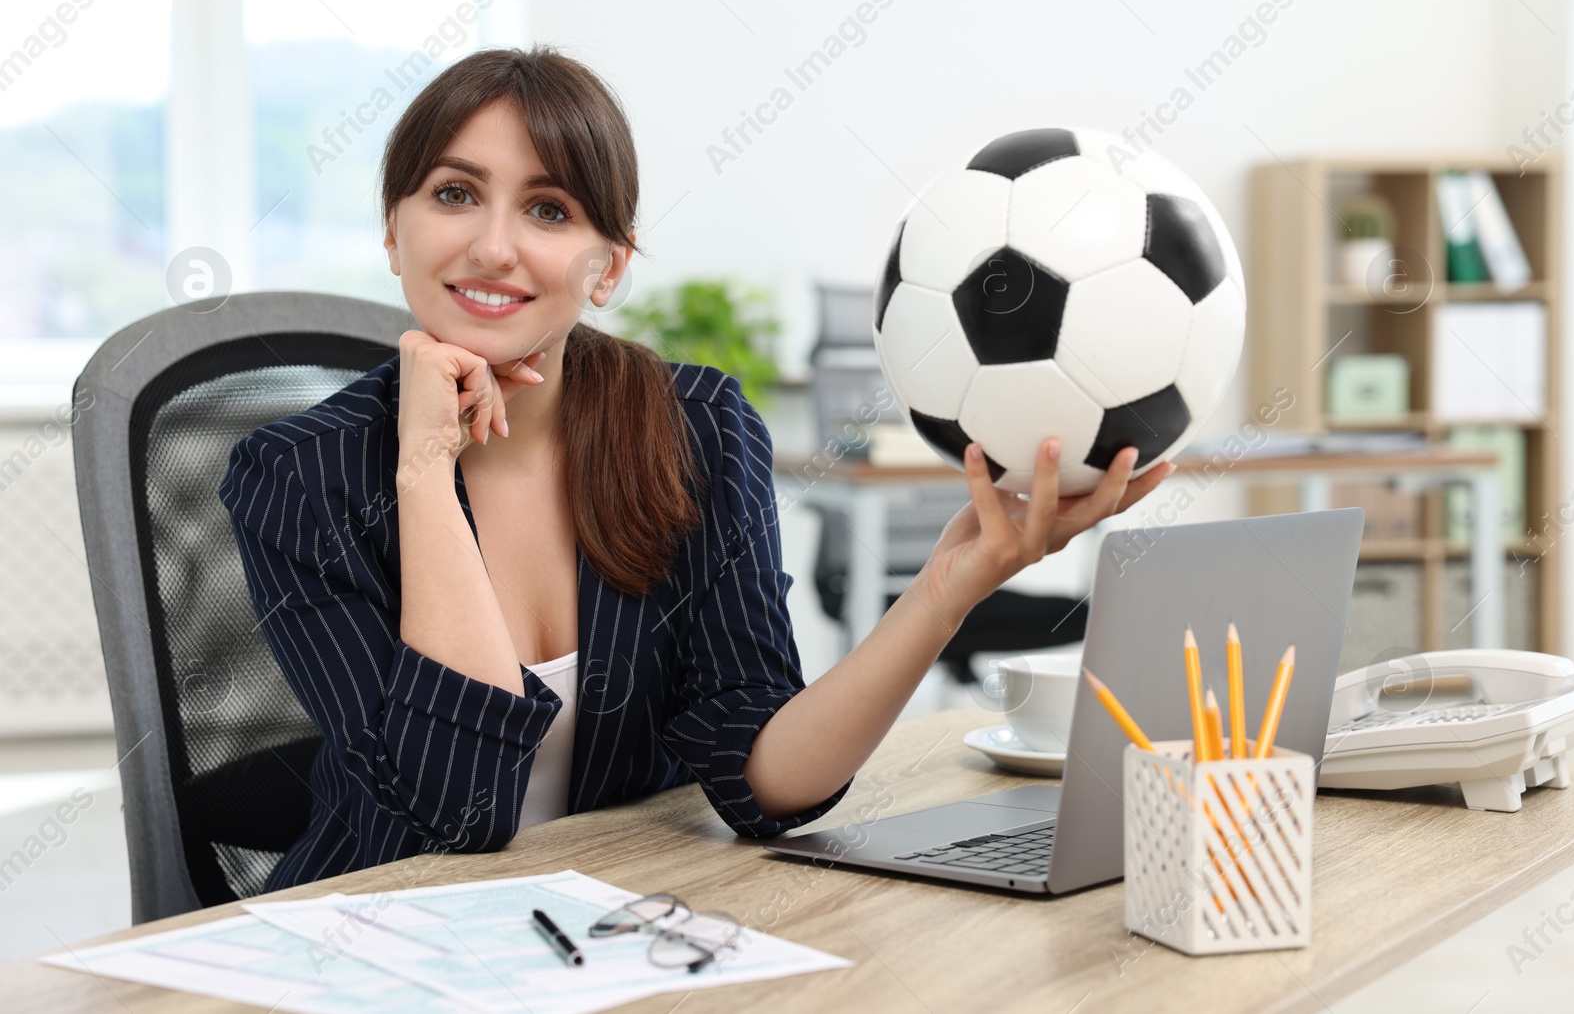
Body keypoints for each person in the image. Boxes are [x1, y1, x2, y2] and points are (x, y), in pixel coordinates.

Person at [217, 45, 1174, 893]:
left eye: (548, 208)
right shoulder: (299, 474)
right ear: (394, 229)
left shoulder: (695, 427)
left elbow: (767, 788)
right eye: (454, 193)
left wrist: (946, 591)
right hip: (377, 932)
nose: (493, 245)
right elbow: (455, 817)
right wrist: (424, 471)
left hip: (626, 916)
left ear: (609, 265)